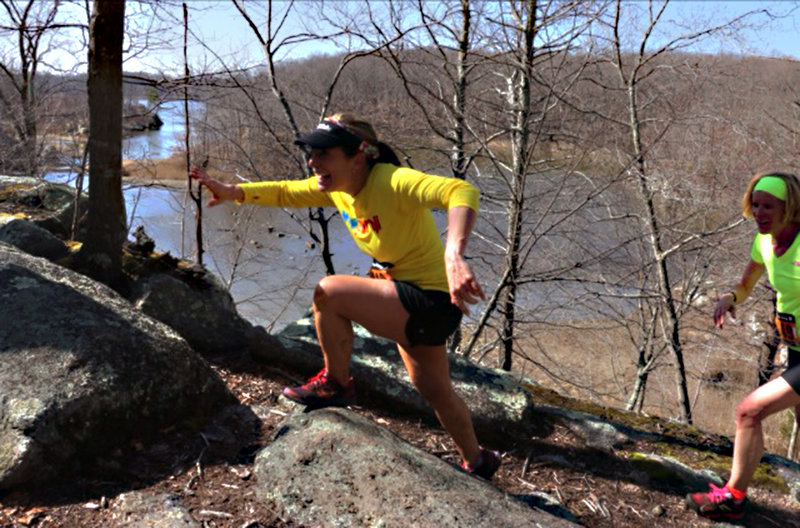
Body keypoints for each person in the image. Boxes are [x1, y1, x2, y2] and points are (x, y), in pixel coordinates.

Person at [191, 113, 501, 480]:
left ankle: (336, 384)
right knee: (436, 392)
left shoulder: (392, 180)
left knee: (330, 292)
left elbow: (460, 191)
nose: (313, 162)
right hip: (407, 301)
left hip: (428, 301)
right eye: (311, 153)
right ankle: (478, 460)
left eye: (324, 153)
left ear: (358, 157)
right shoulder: (338, 188)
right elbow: (286, 191)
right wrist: (234, 193)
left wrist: (454, 254)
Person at [686, 172, 800, 520]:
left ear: (789, 207)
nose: (759, 212)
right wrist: (731, 297)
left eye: (769, 206)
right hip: (795, 349)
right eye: (756, 204)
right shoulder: (764, 243)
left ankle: (733, 498)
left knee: (748, 411)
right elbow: (748, 281)